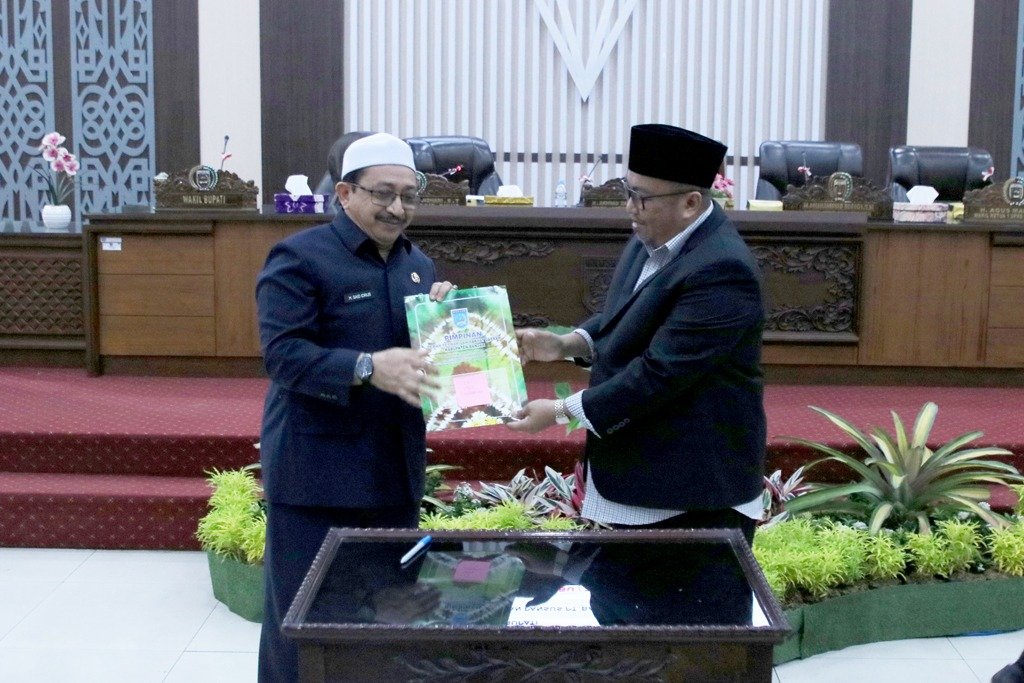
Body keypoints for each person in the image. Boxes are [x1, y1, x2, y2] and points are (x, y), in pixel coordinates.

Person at [255, 132, 454, 682]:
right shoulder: (300, 256)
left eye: (409, 196)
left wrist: (446, 323)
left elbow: (418, 363)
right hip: (316, 475)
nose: (397, 208)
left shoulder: (419, 265)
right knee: (304, 622)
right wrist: (365, 367)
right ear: (345, 193)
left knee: (387, 618)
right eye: (382, 193)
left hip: (393, 471)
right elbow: (283, 356)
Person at [509, 124, 766, 545]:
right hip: (640, 471)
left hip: (691, 489)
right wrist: (565, 343)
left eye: (641, 197)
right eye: (628, 191)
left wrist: (559, 411)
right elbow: (627, 318)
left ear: (690, 203)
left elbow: (660, 373)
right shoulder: (653, 233)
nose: (629, 206)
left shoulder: (723, 270)